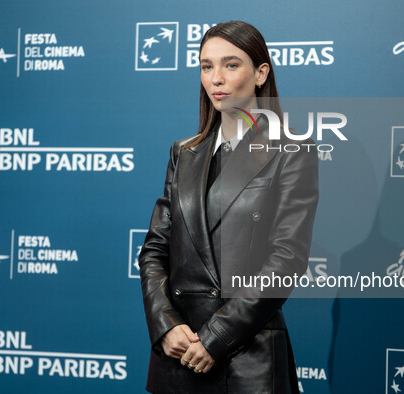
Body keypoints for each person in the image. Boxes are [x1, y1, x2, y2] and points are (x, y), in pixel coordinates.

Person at [139, 21, 319, 393]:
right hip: (180, 355)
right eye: (207, 66)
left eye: (231, 65)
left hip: (246, 359)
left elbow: (287, 259)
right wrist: (165, 324)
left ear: (260, 73)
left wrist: (217, 337)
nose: (216, 78)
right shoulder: (183, 153)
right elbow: (155, 249)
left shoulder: (292, 152)